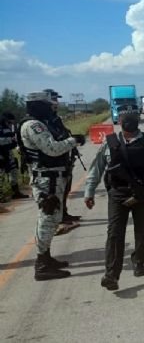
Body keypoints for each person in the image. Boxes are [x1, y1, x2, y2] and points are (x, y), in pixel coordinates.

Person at [84, 106, 144, 291]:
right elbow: (97, 169)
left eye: (133, 118)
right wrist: (89, 191)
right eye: (125, 118)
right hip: (118, 194)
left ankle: (138, 260)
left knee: (142, 231)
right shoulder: (110, 142)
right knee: (114, 234)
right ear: (119, 122)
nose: (129, 121)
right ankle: (111, 275)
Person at [17, 91, 85, 280]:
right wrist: (74, 141)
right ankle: (42, 264)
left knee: (52, 219)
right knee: (48, 220)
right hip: (47, 180)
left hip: (52, 177)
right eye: (47, 105)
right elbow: (52, 149)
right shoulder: (34, 125)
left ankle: (46, 258)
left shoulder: (40, 123)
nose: (51, 107)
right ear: (39, 106)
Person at [43, 89, 81, 224]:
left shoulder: (55, 118)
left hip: (64, 158)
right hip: (52, 163)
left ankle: (64, 214)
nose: (56, 103)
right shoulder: (43, 120)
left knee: (66, 188)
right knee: (56, 193)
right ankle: (58, 218)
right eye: (54, 99)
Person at [0, 112, 28, 199]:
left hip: (9, 152)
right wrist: (11, 139)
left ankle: (16, 192)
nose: (11, 124)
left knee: (14, 171)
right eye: (10, 122)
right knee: (1, 174)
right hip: (0, 153)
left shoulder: (7, 127)